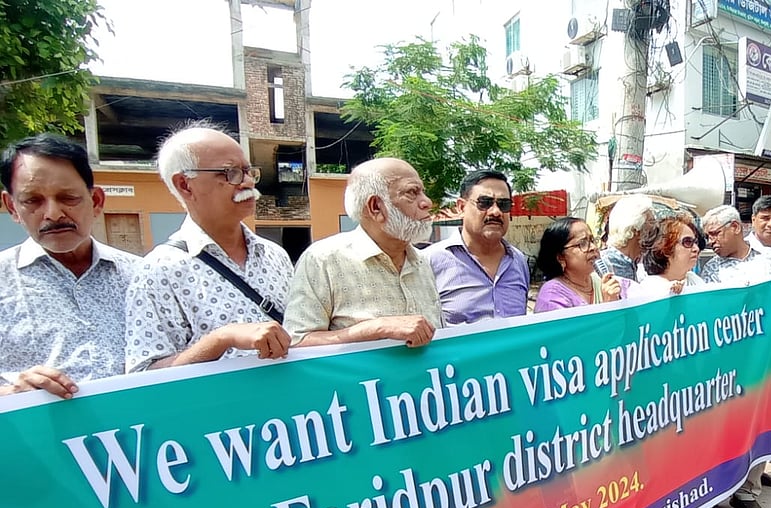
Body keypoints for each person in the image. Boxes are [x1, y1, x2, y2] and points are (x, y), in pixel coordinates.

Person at [531, 216, 649, 508]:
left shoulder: (610, 281)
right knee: (586, 494)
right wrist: (606, 306)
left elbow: (646, 310)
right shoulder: (552, 293)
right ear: (562, 258)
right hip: (578, 412)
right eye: (581, 245)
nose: (593, 249)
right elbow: (570, 349)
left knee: (622, 486)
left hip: (618, 400)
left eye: (592, 240)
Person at [126, 122, 293, 372]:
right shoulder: (158, 271)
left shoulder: (275, 255)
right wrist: (221, 338)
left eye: (248, 171)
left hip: (295, 409)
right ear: (185, 184)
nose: (247, 182)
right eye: (230, 173)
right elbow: (143, 375)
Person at [0, 134, 139, 398]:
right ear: (12, 207)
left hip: (148, 435)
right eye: (33, 201)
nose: (53, 213)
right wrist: (11, 393)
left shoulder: (141, 276)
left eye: (68, 198)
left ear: (96, 201)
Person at [283, 157, 441, 348]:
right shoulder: (323, 260)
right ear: (376, 207)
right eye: (412, 193)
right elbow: (297, 342)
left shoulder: (422, 262)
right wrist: (376, 328)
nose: (427, 202)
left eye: (422, 192)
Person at [698, 205, 771, 498]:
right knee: (726, 428)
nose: (711, 241)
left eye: (715, 233)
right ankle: (717, 494)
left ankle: (749, 489)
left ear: (735, 228)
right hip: (729, 366)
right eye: (707, 235)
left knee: (761, 422)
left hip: (767, 360)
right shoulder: (711, 270)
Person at [627, 213, 712, 508]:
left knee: (692, 461)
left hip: (695, 390)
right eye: (687, 243)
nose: (695, 249)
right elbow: (643, 342)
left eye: (697, 242)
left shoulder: (697, 282)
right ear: (664, 247)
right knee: (665, 465)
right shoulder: (646, 289)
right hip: (661, 396)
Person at [425, 169, 529, 325]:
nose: (496, 212)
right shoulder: (429, 261)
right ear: (461, 207)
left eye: (504, 204)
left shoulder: (518, 260)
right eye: (485, 203)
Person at [534, 217, 626, 311]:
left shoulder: (602, 281)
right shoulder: (551, 297)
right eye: (582, 243)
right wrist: (608, 306)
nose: (593, 247)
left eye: (592, 240)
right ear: (560, 257)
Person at [596, 194, 653, 280]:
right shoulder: (604, 265)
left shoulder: (636, 265)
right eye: (651, 222)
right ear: (635, 228)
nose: (656, 227)